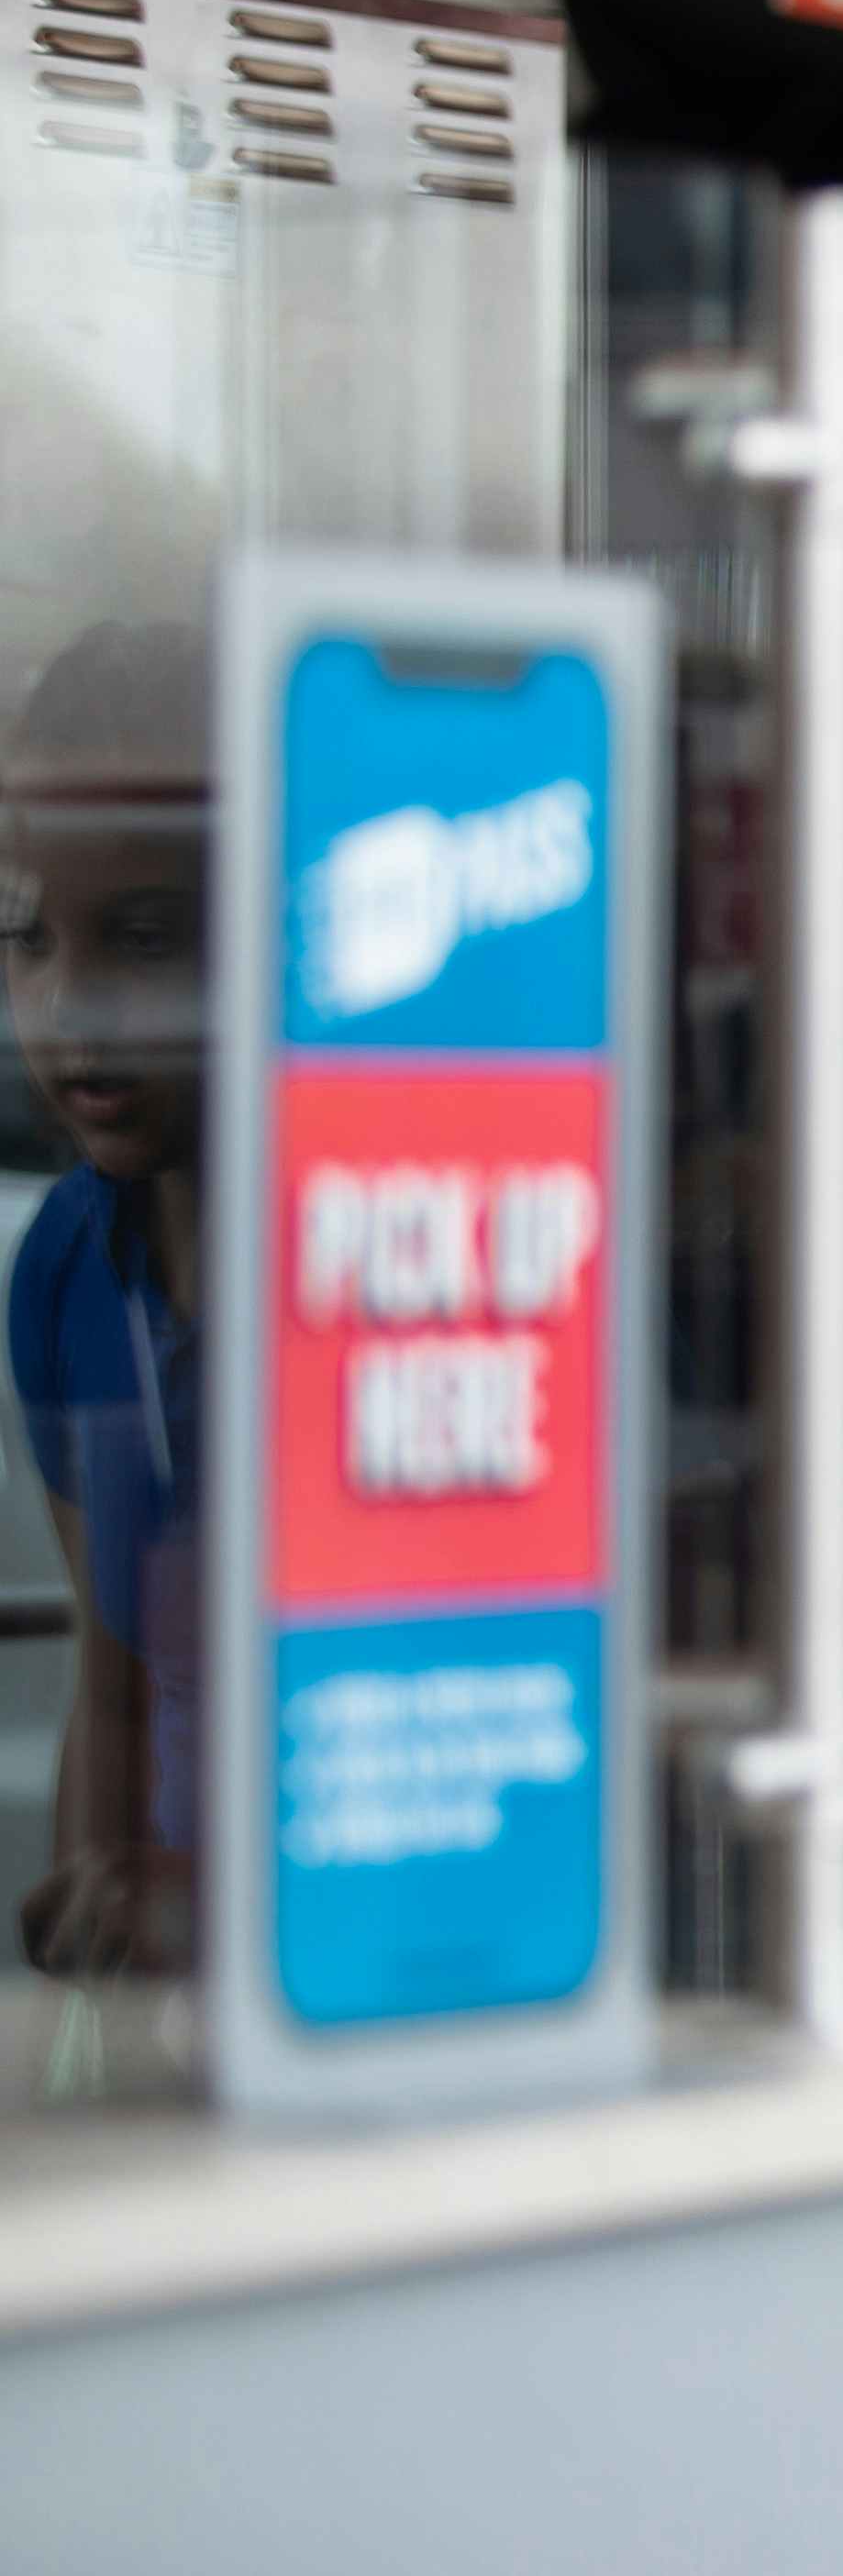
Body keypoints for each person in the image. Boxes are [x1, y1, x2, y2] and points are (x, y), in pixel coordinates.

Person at [6, 625, 213, 1980]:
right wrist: (94, 1889)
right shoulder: (68, 1265)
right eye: (21, 941)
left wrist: (203, 1905)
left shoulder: (383, 1251)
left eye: (142, 940)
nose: (72, 1010)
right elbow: (118, 1674)